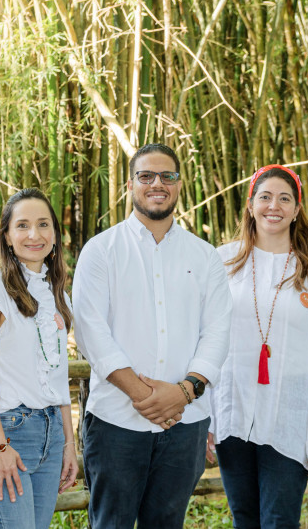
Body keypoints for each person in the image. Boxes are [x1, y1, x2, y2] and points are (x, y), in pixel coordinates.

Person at [72, 143, 232, 528]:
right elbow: (92, 332)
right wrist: (147, 396)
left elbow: (217, 330)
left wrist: (184, 392)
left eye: (167, 176)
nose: (157, 184)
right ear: (130, 185)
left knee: (167, 522)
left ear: (179, 184)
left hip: (185, 422)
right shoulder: (101, 250)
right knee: (111, 522)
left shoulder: (205, 255)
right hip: (116, 421)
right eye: (146, 176)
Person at [208, 164, 308, 528]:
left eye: (284, 198)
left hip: (294, 415)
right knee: (244, 517)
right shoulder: (222, 261)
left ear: (296, 210)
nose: (273, 206)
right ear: (250, 205)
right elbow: (205, 340)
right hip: (232, 410)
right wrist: (205, 416)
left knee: (279, 519)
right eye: (265, 197)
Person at [0, 188, 78, 529]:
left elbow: (58, 377)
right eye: (23, 225)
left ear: (55, 235)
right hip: (9, 432)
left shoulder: (56, 294)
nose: (34, 234)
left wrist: (68, 444)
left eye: (43, 225)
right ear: (7, 237)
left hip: (52, 433)